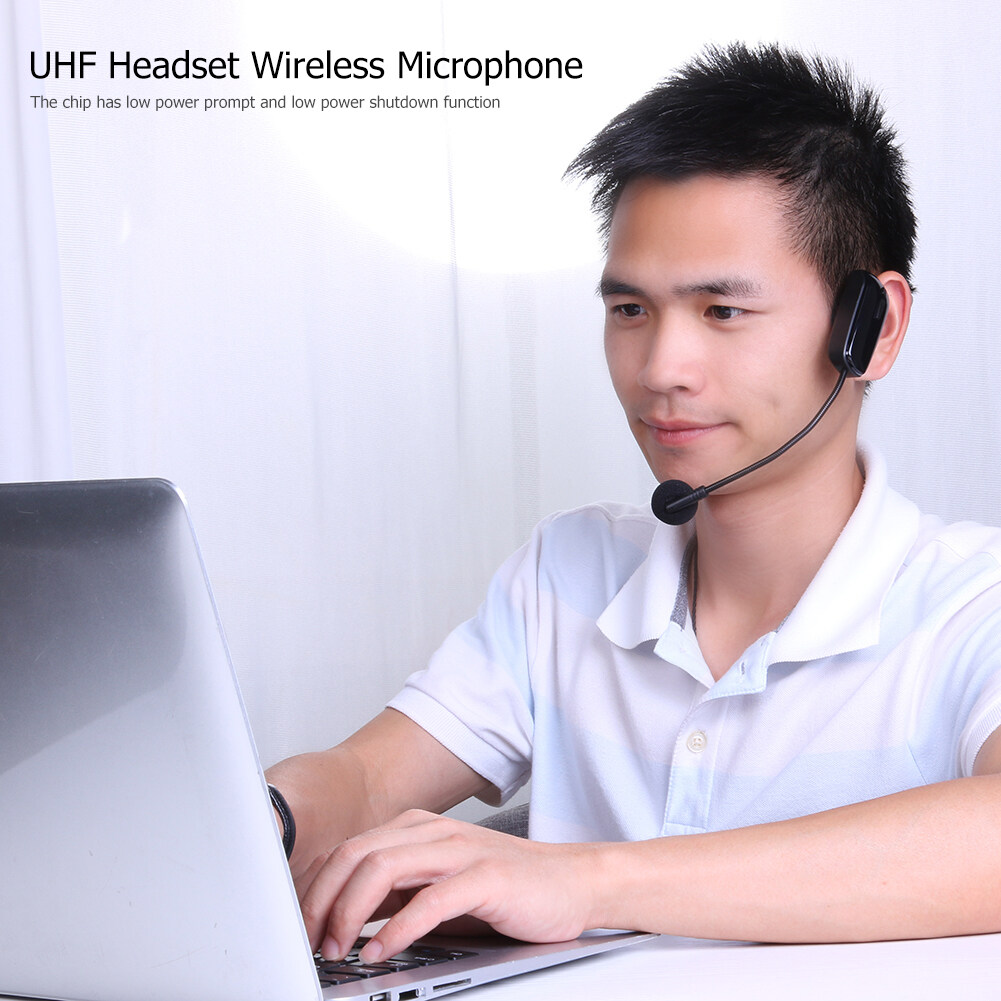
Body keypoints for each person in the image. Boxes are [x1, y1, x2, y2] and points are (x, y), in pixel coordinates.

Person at [265, 43, 1001, 963]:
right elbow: (367, 780)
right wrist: (270, 812)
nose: (660, 369)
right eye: (629, 310)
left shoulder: (971, 601)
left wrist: (583, 880)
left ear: (871, 328)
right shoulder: (569, 573)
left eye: (722, 311)